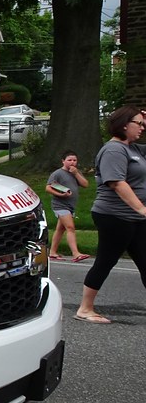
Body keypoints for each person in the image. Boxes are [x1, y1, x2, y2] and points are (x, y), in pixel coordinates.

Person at [74, 105, 146, 324]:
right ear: (124, 124)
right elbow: (117, 183)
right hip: (115, 217)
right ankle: (85, 309)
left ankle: (86, 308)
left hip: (135, 218)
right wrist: (141, 208)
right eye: (139, 124)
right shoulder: (114, 150)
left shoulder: (135, 149)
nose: (142, 128)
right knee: (106, 260)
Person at [46, 150, 90, 262]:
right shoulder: (58, 173)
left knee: (60, 229)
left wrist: (76, 173)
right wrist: (61, 194)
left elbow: (85, 184)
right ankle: (76, 253)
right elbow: (48, 188)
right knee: (70, 227)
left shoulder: (76, 172)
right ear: (63, 161)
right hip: (60, 205)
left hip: (70, 205)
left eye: (74, 160)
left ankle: (52, 252)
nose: (72, 162)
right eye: (69, 160)